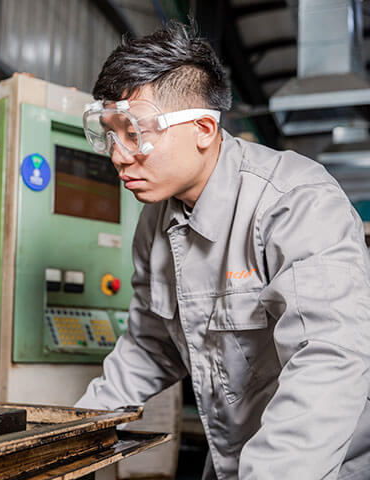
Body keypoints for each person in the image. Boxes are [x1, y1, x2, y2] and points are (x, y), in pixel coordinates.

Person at [76, 21, 370, 480]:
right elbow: (150, 345)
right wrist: (71, 434)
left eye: (133, 132)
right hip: (233, 458)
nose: (118, 155)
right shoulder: (155, 220)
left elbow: (328, 359)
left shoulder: (296, 201)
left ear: (203, 128)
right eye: (109, 132)